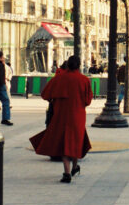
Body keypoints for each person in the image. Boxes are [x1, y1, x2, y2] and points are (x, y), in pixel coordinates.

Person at [32, 55, 92, 183]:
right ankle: (75, 167)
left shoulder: (59, 79)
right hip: (78, 115)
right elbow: (88, 101)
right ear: (79, 66)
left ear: (68, 65)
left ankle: (66, 172)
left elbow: (44, 94)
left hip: (61, 115)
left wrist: (56, 99)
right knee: (76, 141)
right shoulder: (84, 80)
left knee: (65, 142)